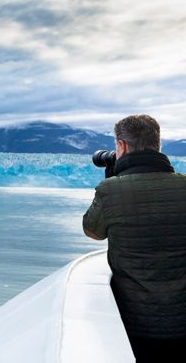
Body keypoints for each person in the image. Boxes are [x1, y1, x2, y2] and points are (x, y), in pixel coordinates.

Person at [82, 114, 186, 362]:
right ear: (157, 144)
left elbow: (92, 231)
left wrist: (111, 180)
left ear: (121, 146)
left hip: (135, 323)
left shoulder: (110, 190)